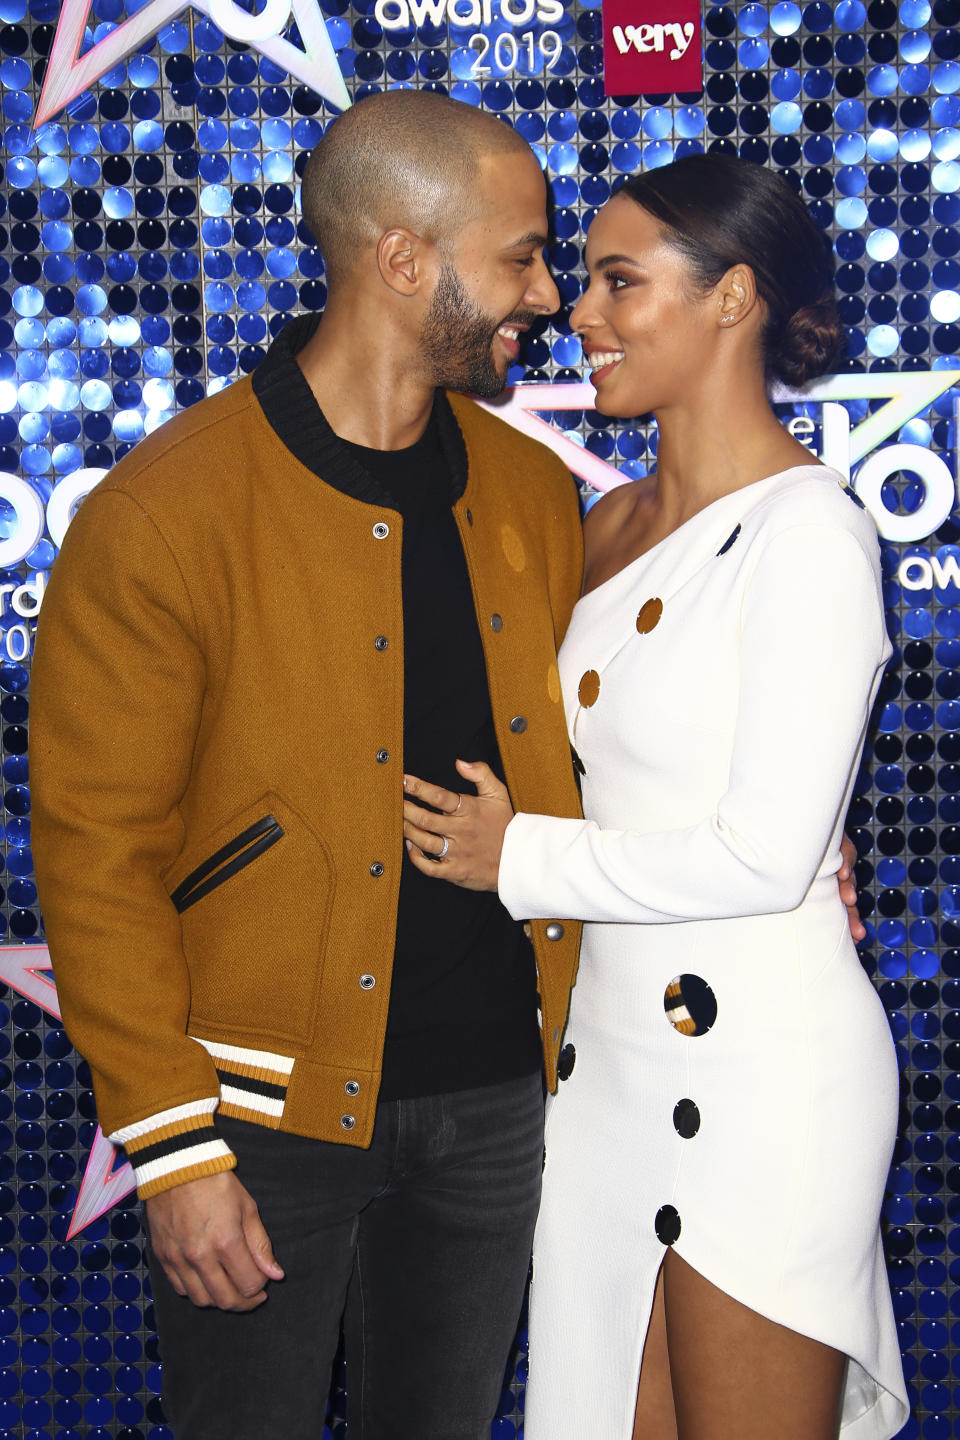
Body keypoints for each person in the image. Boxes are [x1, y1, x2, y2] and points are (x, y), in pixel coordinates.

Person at [29, 91, 587, 1440]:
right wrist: (172, 1150)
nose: (551, 293)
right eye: (519, 255)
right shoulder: (167, 513)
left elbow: (592, 743)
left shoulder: (529, 489)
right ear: (403, 260)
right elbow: (96, 853)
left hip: (499, 1106)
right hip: (253, 1124)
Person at [401, 154, 910, 1439]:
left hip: (761, 1079)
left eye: (621, 281)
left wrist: (518, 860)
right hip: (604, 1076)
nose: (580, 311)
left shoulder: (811, 534)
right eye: (583, 279)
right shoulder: (610, 522)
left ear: (733, 296)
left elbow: (758, 856)